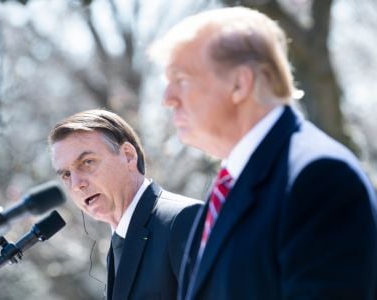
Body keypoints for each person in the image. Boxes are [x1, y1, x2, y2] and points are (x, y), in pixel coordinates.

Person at [149, 6, 377, 300]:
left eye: (181, 79)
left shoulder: (319, 177)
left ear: (239, 84)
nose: (168, 99)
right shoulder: (229, 185)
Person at [48, 109, 202, 300]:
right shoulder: (118, 242)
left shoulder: (184, 219)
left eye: (87, 162)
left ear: (128, 155)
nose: (77, 184)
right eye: (66, 175)